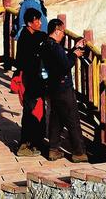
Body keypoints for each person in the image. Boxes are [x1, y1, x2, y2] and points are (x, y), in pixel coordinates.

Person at [40, 18, 88, 163]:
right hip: (63, 87)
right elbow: (65, 65)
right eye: (62, 31)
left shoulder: (45, 45)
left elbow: (61, 60)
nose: (63, 34)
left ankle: (53, 149)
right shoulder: (55, 47)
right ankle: (78, 152)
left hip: (52, 86)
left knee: (57, 118)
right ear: (57, 31)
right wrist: (75, 55)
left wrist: (74, 49)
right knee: (72, 119)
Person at [14, 7, 48, 156]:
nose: (40, 23)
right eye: (37, 21)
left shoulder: (36, 35)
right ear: (29, 23)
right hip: (29, 81)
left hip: (35, 80)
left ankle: (36, 141)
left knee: (38, 111)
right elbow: (24, 61)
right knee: (30, 111)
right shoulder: (25, 39)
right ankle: (24, 145)